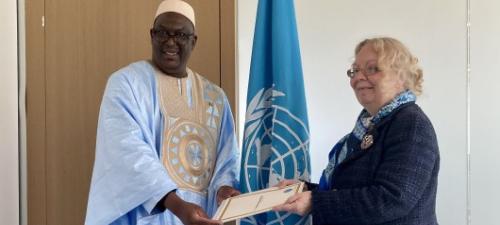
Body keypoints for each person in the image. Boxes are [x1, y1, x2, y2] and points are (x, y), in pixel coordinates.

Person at [85, 0, 240, 224]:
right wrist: (179, 207)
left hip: (202, 217)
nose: (170, 42)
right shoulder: (126, 83)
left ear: (193, 41)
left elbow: (227, 159)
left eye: (180, 35)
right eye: (163, 33)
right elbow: (128, 154)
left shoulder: (215, 98)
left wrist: (223, 190)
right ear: (152, 35)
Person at [273, 37, 440, 225]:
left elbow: (393, 198)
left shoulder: (411, 124)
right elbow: (353, 188)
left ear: (401, 76)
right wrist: (306, 191)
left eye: (372, 69)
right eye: (355, 70)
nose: (358, 77)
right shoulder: (370, 125)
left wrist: (315, 202)